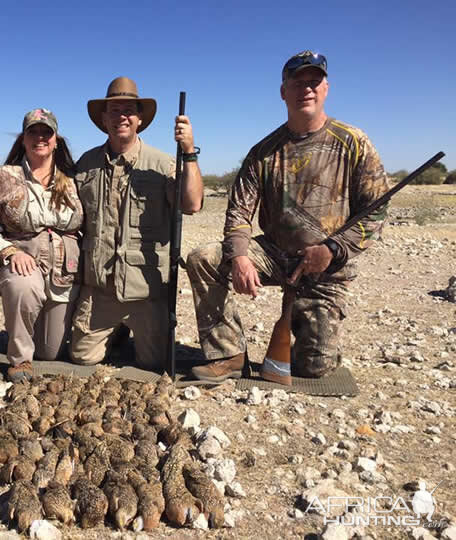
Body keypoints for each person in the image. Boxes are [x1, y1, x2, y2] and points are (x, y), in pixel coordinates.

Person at [185, 50, 390, 383]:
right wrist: (239, 257)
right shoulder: (263, 152)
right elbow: (239, 211)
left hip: (327, 265)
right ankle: (228, 355)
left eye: (314, 81)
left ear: (326, 88)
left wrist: (333, 250)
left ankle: (314, 333)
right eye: (297, 83)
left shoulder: (355, 142)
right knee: (202, 258)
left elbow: (376, 211)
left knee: (314, 367)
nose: (306, 89)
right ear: (283, 92)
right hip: (275, 254)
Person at [70, 77, 203, 371]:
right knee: (82, 358)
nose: (122, 117)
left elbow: (192, 203)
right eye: (114, 110)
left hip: (146, 290)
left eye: (128, 110)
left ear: (140, 119)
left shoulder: (163, 162)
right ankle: (115, 330)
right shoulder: (85, 164)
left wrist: (189, 150)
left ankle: (134, 326)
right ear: (104, 119)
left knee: (152, 363)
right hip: (100, 290)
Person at [0, 108, 83, 383]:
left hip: (62, 273)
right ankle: (19, 359)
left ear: (56, 139)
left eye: (47, 132)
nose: (40, 137)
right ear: (23, 138)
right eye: (33, 132)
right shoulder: (2, 176)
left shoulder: (74, 179)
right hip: (19, 264)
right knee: (23, 284)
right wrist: (8, 251)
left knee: (50, 352)